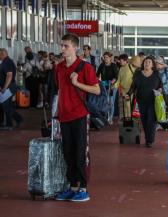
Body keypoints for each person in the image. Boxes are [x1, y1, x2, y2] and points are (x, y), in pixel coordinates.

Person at [55, 34, 100, 202]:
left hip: (79, 115)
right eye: (62, 45)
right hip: (64, 116)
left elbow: (97, 90)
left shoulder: (84, 67)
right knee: (68, 153)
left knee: (80, 152)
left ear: (75, 48)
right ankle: (72, 187)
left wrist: (77, 83)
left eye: (66, 46)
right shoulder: (59, 68)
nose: (63, 49)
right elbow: (59, 91)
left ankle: (83, 189)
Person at [126, 56, 162, 148]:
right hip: (141, 100)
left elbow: (160, 85)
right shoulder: (138, 73)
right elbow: (133, 86)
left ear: (152, 64)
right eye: (145, 62)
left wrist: (160, 90)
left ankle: (150, 140)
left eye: (149, 62)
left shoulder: (156, 74)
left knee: (151, 120)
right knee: (144, 120)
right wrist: (128, 94)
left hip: (153, 101)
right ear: (143, 63)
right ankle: (147, 138)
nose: (147, 63)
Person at [0, 48, 23, 130]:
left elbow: (9, 76)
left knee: (5, 106)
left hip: (9, 87)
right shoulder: (6, 62)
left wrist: (4, 88)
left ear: (2, 54)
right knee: (6, 105)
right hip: (8, 87)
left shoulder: (7, 62)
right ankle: (8, 123)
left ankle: (17, 119)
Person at [96, 52, 119, 125]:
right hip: (104, 85)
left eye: (107, 57)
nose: (105, 59)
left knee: (111, 102)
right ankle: (105, 117)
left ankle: (110, 117)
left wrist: (113, 81)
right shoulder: (101, 65)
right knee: (105, 101)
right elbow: (97, 75)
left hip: (112, 85)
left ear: (110, 58)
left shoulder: (114, 65)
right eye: (104, 57)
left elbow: (116, 76)